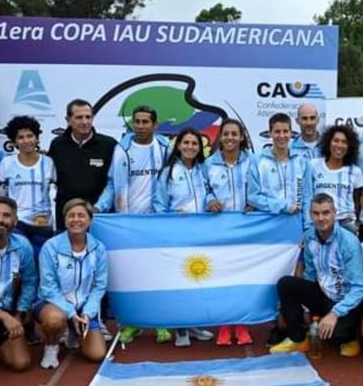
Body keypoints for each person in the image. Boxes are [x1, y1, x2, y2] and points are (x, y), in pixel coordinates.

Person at [97, 105, 172, 344]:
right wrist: (98, 207)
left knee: (159, 274)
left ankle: (160, 322)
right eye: (136, 122)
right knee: (132, 277)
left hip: (159, 222)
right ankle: (131, 324)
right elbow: (112, 184)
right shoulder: (122, 150)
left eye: (145, 122)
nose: (140, 126)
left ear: (155, 124)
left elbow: (173, 181)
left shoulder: (165, 148)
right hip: (128, 224)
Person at [270, 193, 363, 357]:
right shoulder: (309, 236)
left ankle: (351, 336)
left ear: (335, 213)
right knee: (286, 283)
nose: (321, 218)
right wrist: (303, 308)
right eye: (316, 213)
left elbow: (359, 288)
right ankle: (298, 339)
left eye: (326, 212)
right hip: (324, 295)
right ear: (310, 214)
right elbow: (310, 273)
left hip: (347, 301)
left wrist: (335, 313)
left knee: (334, 338)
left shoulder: (349, 243)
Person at [152, 128, 214, 347]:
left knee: (198, 280)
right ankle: (181, 329)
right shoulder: (168, 172)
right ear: (178, 145)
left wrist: (212, 203)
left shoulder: (204, 170)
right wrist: (170, 220)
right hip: (177, 235)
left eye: (194, 144)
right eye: (186, 143)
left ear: (200, 148)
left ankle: (194, 324)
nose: (190, 147)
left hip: (201, 235)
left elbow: (210, 194)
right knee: (179, 281)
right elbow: (158, 205)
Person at [203, 119, 258, 346]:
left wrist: (256, 204)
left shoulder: (254, 161)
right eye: (226, 134)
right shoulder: (208, 164)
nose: (230, 138)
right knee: (222, 277)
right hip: (220, 229)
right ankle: (225, 325)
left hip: (246, 229)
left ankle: (242, 325)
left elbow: (261, 189)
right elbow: (203, 189)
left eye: (235, 134)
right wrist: (210, 200)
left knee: (244, 278)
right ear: (220, 137)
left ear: (242, 137)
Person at [36, 199, 108, 369]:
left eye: (81, 216)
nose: (76, 220)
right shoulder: (50, 247)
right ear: (65, 220)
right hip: (54, 305)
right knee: (54, 320)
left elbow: (99, 286)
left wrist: (88, 313)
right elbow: (48, 288)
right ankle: (52, 345)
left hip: (83, 307)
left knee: (97, 354)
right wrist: (69, 312)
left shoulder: (99, 248)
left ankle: (74, 333)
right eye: (71, 216)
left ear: (90, 221)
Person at [0, 196, 37, 372]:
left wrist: (20, 313)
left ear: (15, 220)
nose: (0, 220)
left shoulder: (23, 246)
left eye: (6, 216)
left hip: (5, 313)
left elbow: (30, 282)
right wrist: (0, 315)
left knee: (21, 363)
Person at [48, 99, 118, 231]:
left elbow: (114, 182)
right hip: (67, 216)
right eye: (79, 117)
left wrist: (98, 208)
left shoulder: (109, 145)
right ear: (68, 120)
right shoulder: (57, 145)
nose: (85, 122)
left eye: (88, 117)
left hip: (99, 216)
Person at [0, 115, 56, 258]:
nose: (26, 141)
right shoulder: (7, 163)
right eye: (21, 137)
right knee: (20, 264)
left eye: (30, 136)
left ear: (37, 138)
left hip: (43, 223)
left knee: (41, 262)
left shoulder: (48, 163)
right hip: (17, 223)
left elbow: (58, 188)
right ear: (14, 141)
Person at [303, 124, 363, 234]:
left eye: (344, 142)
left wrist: (358, 224)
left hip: (346, 225)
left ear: (349, 146)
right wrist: (308, 227)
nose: (339, 145)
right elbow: (307, 197)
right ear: (328, 143)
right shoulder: (314, 165)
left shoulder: (355, 171)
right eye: (336, 140)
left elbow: (358, 201)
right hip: (320, 223)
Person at [249, 113, 307, 218]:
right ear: (270, 133)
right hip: (267, 222)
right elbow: (253, 197)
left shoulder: (302, 162)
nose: (281, 136)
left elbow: (308, 198)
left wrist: (308, 225)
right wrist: (283, 206)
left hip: (296, 221)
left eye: (285, 131)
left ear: (291, 133)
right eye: (277, 132)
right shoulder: (257, 161)